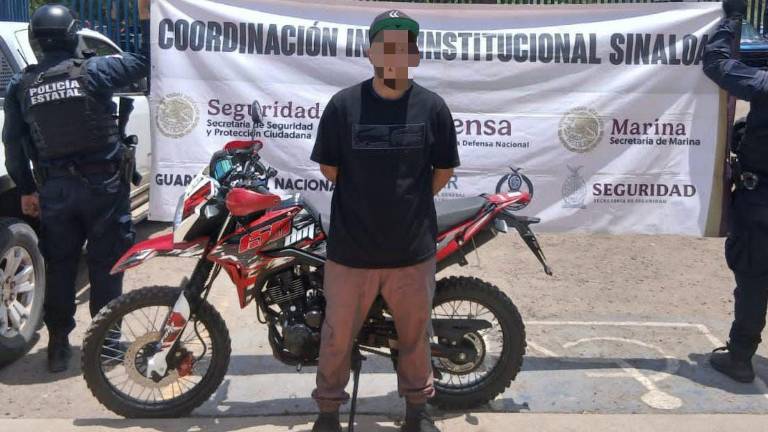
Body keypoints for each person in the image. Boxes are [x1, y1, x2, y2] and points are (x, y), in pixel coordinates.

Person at [309, 9, 459, 432]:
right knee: (337, 337)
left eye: (403, 47)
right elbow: (330, 168)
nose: (394, 55)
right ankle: (327, 413)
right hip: (350, 251)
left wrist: (407, 203)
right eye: (386, 46)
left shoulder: (433, 108)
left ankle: (417, 412)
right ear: (370, 53)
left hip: (411, 251)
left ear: (415, 56)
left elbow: (443, 169)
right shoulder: (343, 106)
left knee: (414, 337)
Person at [1, 1, 150, 373]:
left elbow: (13, 144)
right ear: (72, 36)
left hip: (55, 191)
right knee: (106, 265)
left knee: (60, 266)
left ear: (36, 41)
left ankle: (57, 346)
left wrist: (26, 189)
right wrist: (147, 17)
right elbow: (144, 62)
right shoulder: (95, 70)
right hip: (104, 188)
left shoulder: (22, 85)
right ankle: (106, 345)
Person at [703, 0, 768, 383]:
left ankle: (741, 357)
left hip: (760, 201)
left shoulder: (764, 84)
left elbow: (716, 64)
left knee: (754, 278)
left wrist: (731, 20)